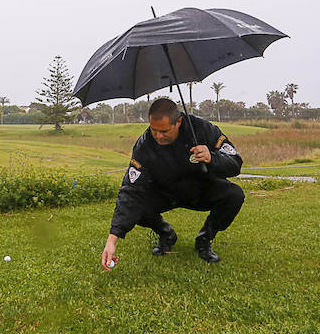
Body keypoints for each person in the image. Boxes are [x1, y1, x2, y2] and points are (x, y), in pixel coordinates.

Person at [101, 98, 244, 269]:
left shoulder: (203, 129)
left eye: (164, 131)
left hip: (201, 189)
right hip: (165, 193)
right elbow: (131, 191)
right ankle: (165, 233)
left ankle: (205, 238)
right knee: (138, 207)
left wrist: (213, 158)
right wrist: (112, 238)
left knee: (235, 196)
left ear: (179, 122)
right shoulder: (144, 145)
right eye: (154, 131)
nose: (159, 136)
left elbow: (235, 164)